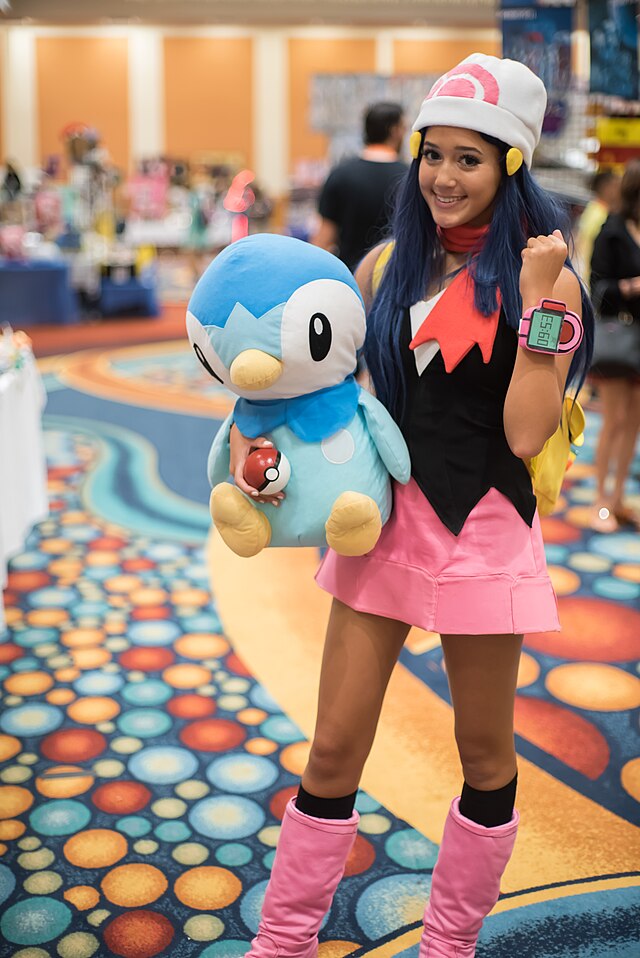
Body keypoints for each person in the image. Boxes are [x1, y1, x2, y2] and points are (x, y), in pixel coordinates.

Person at [228, 53, 593, 958]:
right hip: (385, 521)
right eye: (435, 155)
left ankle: (449, 944)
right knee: (333, 749)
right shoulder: (386, 265)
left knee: (483, 756)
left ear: (510, 165)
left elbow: (521, 433)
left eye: (470, 159)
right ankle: (283, 942)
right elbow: (332, 399)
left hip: (485, 528)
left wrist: (541, 304)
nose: (444, 176)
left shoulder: (549, 282)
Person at [589, 159, 640, 532]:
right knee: (613, 421)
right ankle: (600, 501)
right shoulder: (612, 230)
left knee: (633, 424)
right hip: (617, 335)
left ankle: (619, 497)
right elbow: (597, 288)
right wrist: (630, 287)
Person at [311, 101, 408, 272]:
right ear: (395, 131)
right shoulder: (410, 177)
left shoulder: (340, 174)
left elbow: (322, 241)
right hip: (397, 279)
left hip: (349, 279)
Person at [573, 169, 621, 286]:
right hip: (594, 280)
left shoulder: (594, 209)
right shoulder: (600, 215)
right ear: (607, 188)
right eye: (617, 185)